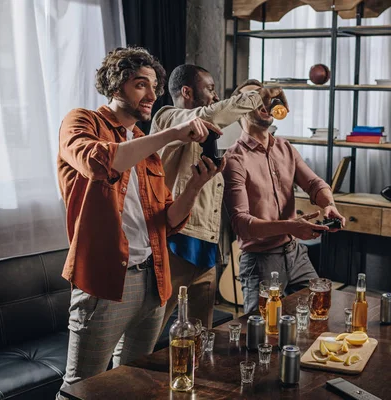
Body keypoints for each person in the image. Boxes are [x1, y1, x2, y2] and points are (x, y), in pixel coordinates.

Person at [56, 47, 221, 397]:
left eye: (155, 86)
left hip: (154, 277)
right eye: (140, 85)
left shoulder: (144, 149)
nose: (151, 95)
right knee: (79, 388)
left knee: (135, 380)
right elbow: (98, 162)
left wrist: (195, 185)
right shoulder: (82, 121)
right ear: (116, 86)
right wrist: (172, 133)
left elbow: (166, 221)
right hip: (105, 281)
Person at [150, 65, 287, 328]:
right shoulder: (167, 117)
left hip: (207, 247)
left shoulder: (215, 131)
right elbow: (209, 114)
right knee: (151, 330)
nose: (215, 96)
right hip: (174, 244)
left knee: (201, 332)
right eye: (210, 89)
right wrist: (259, 94)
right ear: (187, 92)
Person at [222, 79, 346, 314]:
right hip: (260, 261)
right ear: (239, 110)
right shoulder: (234, 160)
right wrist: (290, 226)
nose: (264, 101)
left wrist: (329, 205)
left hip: (295, 253)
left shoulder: (285, 147)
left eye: (265, 97)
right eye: (253, 98)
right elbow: (241, 224)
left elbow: (314, 184)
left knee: (318, 313)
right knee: (261, 335)